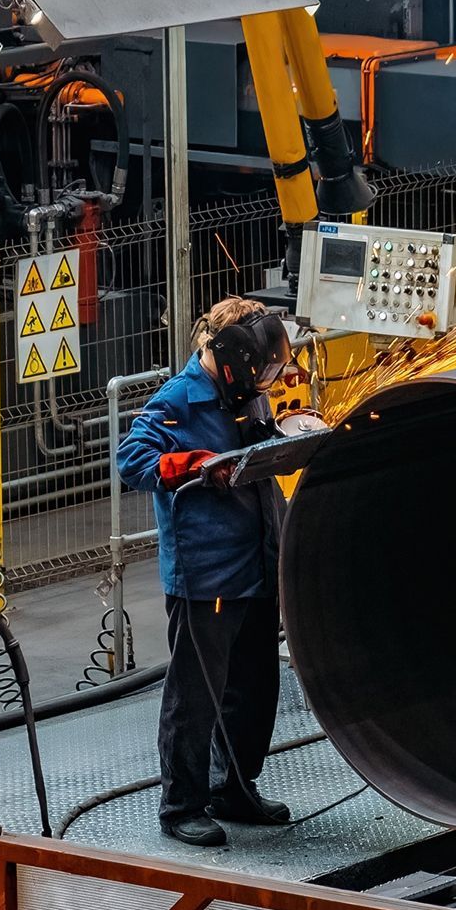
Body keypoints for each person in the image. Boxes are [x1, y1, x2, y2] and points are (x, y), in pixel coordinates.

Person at [116, 296, 294, 846]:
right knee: (196, 695)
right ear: (232, 355)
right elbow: (131, 460)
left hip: (258, 564)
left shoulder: (246, 393)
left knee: (255, 690)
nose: (265, 381)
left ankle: (234, 789)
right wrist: (191, 466)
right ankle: (181, 806)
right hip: (207, 576)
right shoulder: (178, 401)